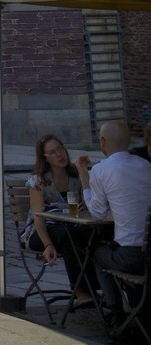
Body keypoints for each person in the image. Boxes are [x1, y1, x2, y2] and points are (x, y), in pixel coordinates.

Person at [77, 119, 151, 330]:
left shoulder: (101, 170)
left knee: (98, 253)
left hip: (131, 256)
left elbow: (97, 214)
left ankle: (117, 314)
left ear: (102, 141)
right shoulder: (146, 165)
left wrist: (84, 177)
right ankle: (136, 313)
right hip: (148, 252)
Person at [26, 133, 97, 303]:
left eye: (60, 149)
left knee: (93, 234)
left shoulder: (75, 177)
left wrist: (83, 174)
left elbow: (89, 208)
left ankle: (99, 287)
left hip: (73, 226)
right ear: (45, 158)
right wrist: (48, 245)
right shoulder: (39, 181)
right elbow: (38, 218)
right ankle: (81, 291)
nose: (59, 154)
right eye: (52, 152)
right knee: (66, 235)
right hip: (41, 232)